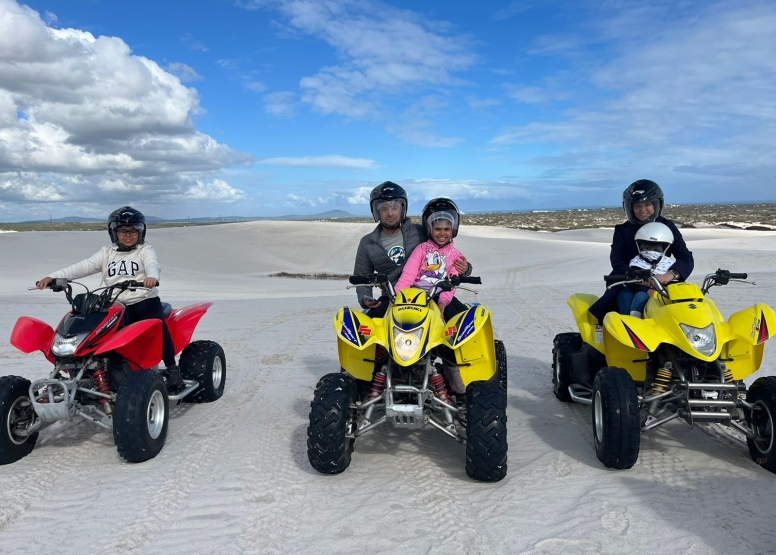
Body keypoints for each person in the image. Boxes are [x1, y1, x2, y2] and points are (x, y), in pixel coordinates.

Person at [36, 206, 185, 393]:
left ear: (141, 231)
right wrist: (54, 277)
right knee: (97, 334)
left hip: (143, 301)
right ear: (114, 232)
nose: (128, 235)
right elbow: (82, 266)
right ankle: (97, 373)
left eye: (133, 230)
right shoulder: (107, 252)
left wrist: (152, 277)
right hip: (115, 303)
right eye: (123, 230)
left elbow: (152, 264)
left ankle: (172, 369)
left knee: (158, 327)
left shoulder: (145, 250)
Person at [353, 181, 471, 318]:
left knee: (466, 325)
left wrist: (466, 268)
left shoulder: (421, 232)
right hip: (392, 296)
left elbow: (447, 254)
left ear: (402, 209)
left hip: (430, 294)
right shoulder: (368, 243)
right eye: (384, 208)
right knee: (366, 331)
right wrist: (365, 297)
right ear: (376, 211)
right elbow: (361, 277)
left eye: (394, 207)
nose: (390, 213)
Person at [589, 179, 694, 322]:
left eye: (648, 204)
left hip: (662, 283)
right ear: (629, 208)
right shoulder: (622, 230)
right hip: (629, 283)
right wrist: (639, 278)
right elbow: (617, 261)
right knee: (624, 310)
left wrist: (671, 274)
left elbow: (685, 257)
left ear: (657, 205)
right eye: (637, 206)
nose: (643, 210)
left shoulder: (667, 226)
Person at [394, 198, 468, 322]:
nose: (442, 233)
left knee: (464, 323)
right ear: (429, 228)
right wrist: (395, 298)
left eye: (447, 229)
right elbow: (407, 277)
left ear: (453, 229)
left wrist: (443, 303)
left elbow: (451, 284)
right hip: (415, 296)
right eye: (437, 229)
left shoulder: (456, 256)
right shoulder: (421, 249)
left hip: (441, 296)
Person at [617, 222, 677, 318]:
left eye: (656, 249)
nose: (651, 251)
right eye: (647, 248)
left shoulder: (669, 264)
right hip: (638, 291)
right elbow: (633, 283)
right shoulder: (636, 262)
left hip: (662, 295)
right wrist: (647, 290)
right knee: (629, 296)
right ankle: (632, 321)